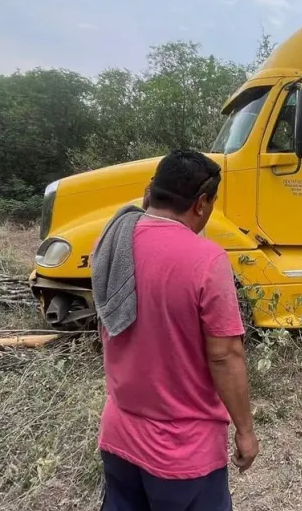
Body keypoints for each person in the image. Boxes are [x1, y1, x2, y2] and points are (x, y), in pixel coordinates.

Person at [90, 149, 259, 511]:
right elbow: (225, 355)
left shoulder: (109, 243)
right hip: (183, 452)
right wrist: (245, 431)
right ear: (201, 204)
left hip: (119, 433)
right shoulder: (206, 259)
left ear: (150, 190)